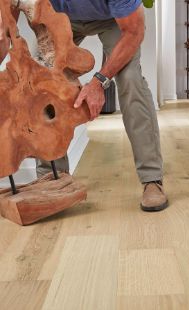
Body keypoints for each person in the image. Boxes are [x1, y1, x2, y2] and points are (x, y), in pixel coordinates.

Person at [0, 0, 168, 212]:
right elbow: (7, 27)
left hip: (112, 21)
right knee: (39, 82)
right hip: (59, 18)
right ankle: (52, 179)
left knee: (131, 80)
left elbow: (133, 33)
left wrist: (99, 82)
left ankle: (152, 179)